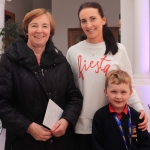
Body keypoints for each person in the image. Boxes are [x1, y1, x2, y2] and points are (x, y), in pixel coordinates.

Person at [66, 2, 148, 150]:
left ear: (103, 20)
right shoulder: (73, 51)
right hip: (81, 126)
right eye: (83, 21)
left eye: (93, 18)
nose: (88, 25)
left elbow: (130, 86)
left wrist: (139, 110)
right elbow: (68, 90)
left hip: (112, 122)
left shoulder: (118, 50)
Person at [0, 8, 83, 150]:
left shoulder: (61, 60)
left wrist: (66, 120)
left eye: (45, 26)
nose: (39, 30)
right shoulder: (9, 60)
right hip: (23, 142)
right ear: (26, 30)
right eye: (34, 25)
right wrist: (28, 127)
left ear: (50, 32)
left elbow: (74, 97)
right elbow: (2, 103)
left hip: (60, 142)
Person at [92, 70, 150, 150]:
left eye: (123, 92)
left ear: (130, 93)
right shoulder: (100, 116)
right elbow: (96, 144)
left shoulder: (137, 116)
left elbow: (146, 143)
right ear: (106, 92)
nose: (118, 97)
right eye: (114, 91)